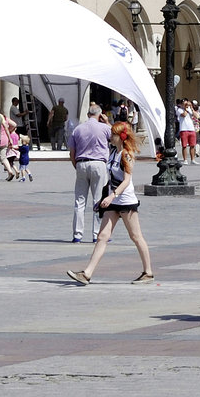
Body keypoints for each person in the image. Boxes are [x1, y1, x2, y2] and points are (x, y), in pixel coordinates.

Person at [66, 120, 155, 286]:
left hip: (126, 201)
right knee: (102, 237)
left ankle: (148, 272)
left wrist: (112, 196)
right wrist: (102, 199)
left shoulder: (127, 154)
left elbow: (127, 180)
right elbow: (110, 179)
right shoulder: (113, 153)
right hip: (112, 201)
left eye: (113, 134)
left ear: (121, 137)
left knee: (136, 237)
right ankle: (87, 274)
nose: (110, 137)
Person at [69, 103, 112, 243]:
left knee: (79, 201)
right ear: (99, 115)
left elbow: (72, 152)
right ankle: (97, 234)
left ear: (88, 114)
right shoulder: (105, 128)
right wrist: (107, 122)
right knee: (98, 200)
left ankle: (77, 235)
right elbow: (117, 137)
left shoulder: (78, 129)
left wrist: (77, 165)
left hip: (81, 163)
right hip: (99, 163)